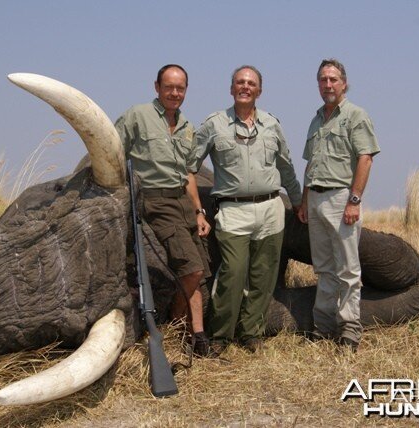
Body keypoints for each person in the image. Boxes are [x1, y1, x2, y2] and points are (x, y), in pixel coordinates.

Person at [193, 65, 302, 354]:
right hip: (233, 210)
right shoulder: (214, 124)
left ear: (259, 91)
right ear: (231, 89)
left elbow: (286, 166)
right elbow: (189, 169)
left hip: (270, 208)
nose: (245, 86)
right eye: (240, 82)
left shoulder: (272, 124)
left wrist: (299, 200)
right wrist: (196, 210)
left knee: (263, 275)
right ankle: (219, 337)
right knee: (232, 273)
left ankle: (251, 333)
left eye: (251, 83)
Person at [115, 64, 212, 356]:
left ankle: (198, 338)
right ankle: (174, 320)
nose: (174, 93)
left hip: (182, 201)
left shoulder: (187, 127)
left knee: (199, 272)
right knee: (192, 269)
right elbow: (113, 151)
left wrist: (198, 212)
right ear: (156, 87)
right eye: (168, 87)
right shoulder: (137, 115)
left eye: (180, 88)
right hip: (154, 200)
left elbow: (189, 174)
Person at [297, 58, 380, 352]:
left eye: (333, 79)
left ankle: (349, 333)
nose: (328, 84)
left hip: (341, 198)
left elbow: (365, 158)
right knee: (323, 268)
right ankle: (323, 328)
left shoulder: (356, 115)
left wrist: (354, 200)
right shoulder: (317, 119)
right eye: (323, 80)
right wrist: (305, 200)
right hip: (317, 199)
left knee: (347, 269)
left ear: (344, 83)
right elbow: (310, 165)